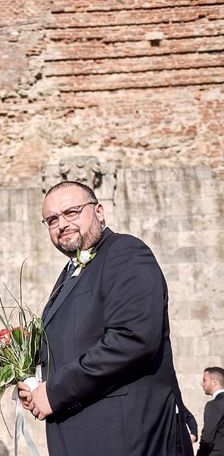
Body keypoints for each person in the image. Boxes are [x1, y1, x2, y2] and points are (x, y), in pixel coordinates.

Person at [18, 180, 193, 456]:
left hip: (125, 435)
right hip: (83, 434)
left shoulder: (125, 252)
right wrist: (34, 384)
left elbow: (132, 339)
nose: (61, 224)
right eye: (51, 220)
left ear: (99, 211)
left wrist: (54, 391)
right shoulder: (68, 275)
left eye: (72, 212)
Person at [197, 367, 224, 456]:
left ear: (214, 383)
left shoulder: (214, 405)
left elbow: (207, 437)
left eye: (204, 380)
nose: (202, 384)